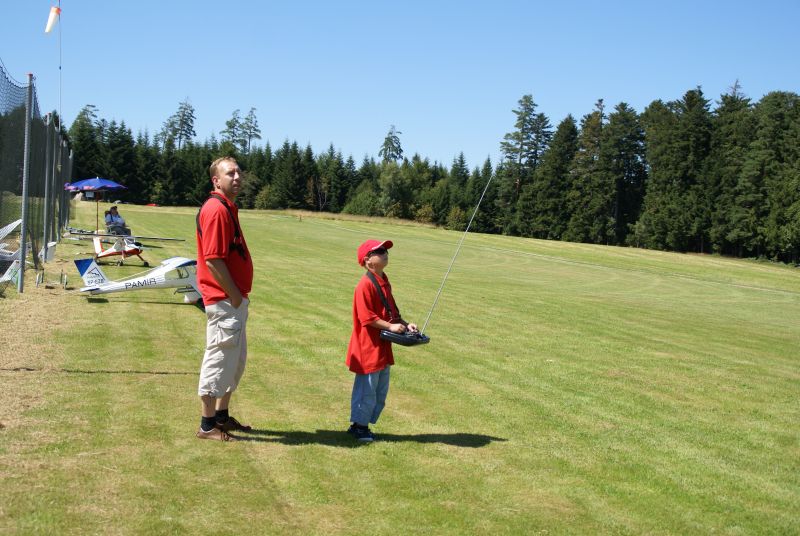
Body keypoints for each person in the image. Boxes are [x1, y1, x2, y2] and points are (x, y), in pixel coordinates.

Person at [195, 156, 254, 441]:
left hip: (233, 301)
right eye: (230, 173)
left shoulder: (227, 207)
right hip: (224, 301)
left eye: (239, 172)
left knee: (234, 362)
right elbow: (213, 260)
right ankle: (207, 426)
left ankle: (221, 416)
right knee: (218, 360)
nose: (237, 177)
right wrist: (234, 296)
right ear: (216, 180)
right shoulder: (216, 209)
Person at [345, 239, 418, 442]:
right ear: (368, 260)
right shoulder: (364, 285)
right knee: (366, 389)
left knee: (379, 390)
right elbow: (366, 317)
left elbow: (391, 312)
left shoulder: (383, 281)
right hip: (368, 347)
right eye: (379, 251)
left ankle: (362, 424)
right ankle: (359, 427)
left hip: (382, 346)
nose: (385, 253)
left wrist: (405, 324)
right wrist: (390, 327)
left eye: (385, 250)